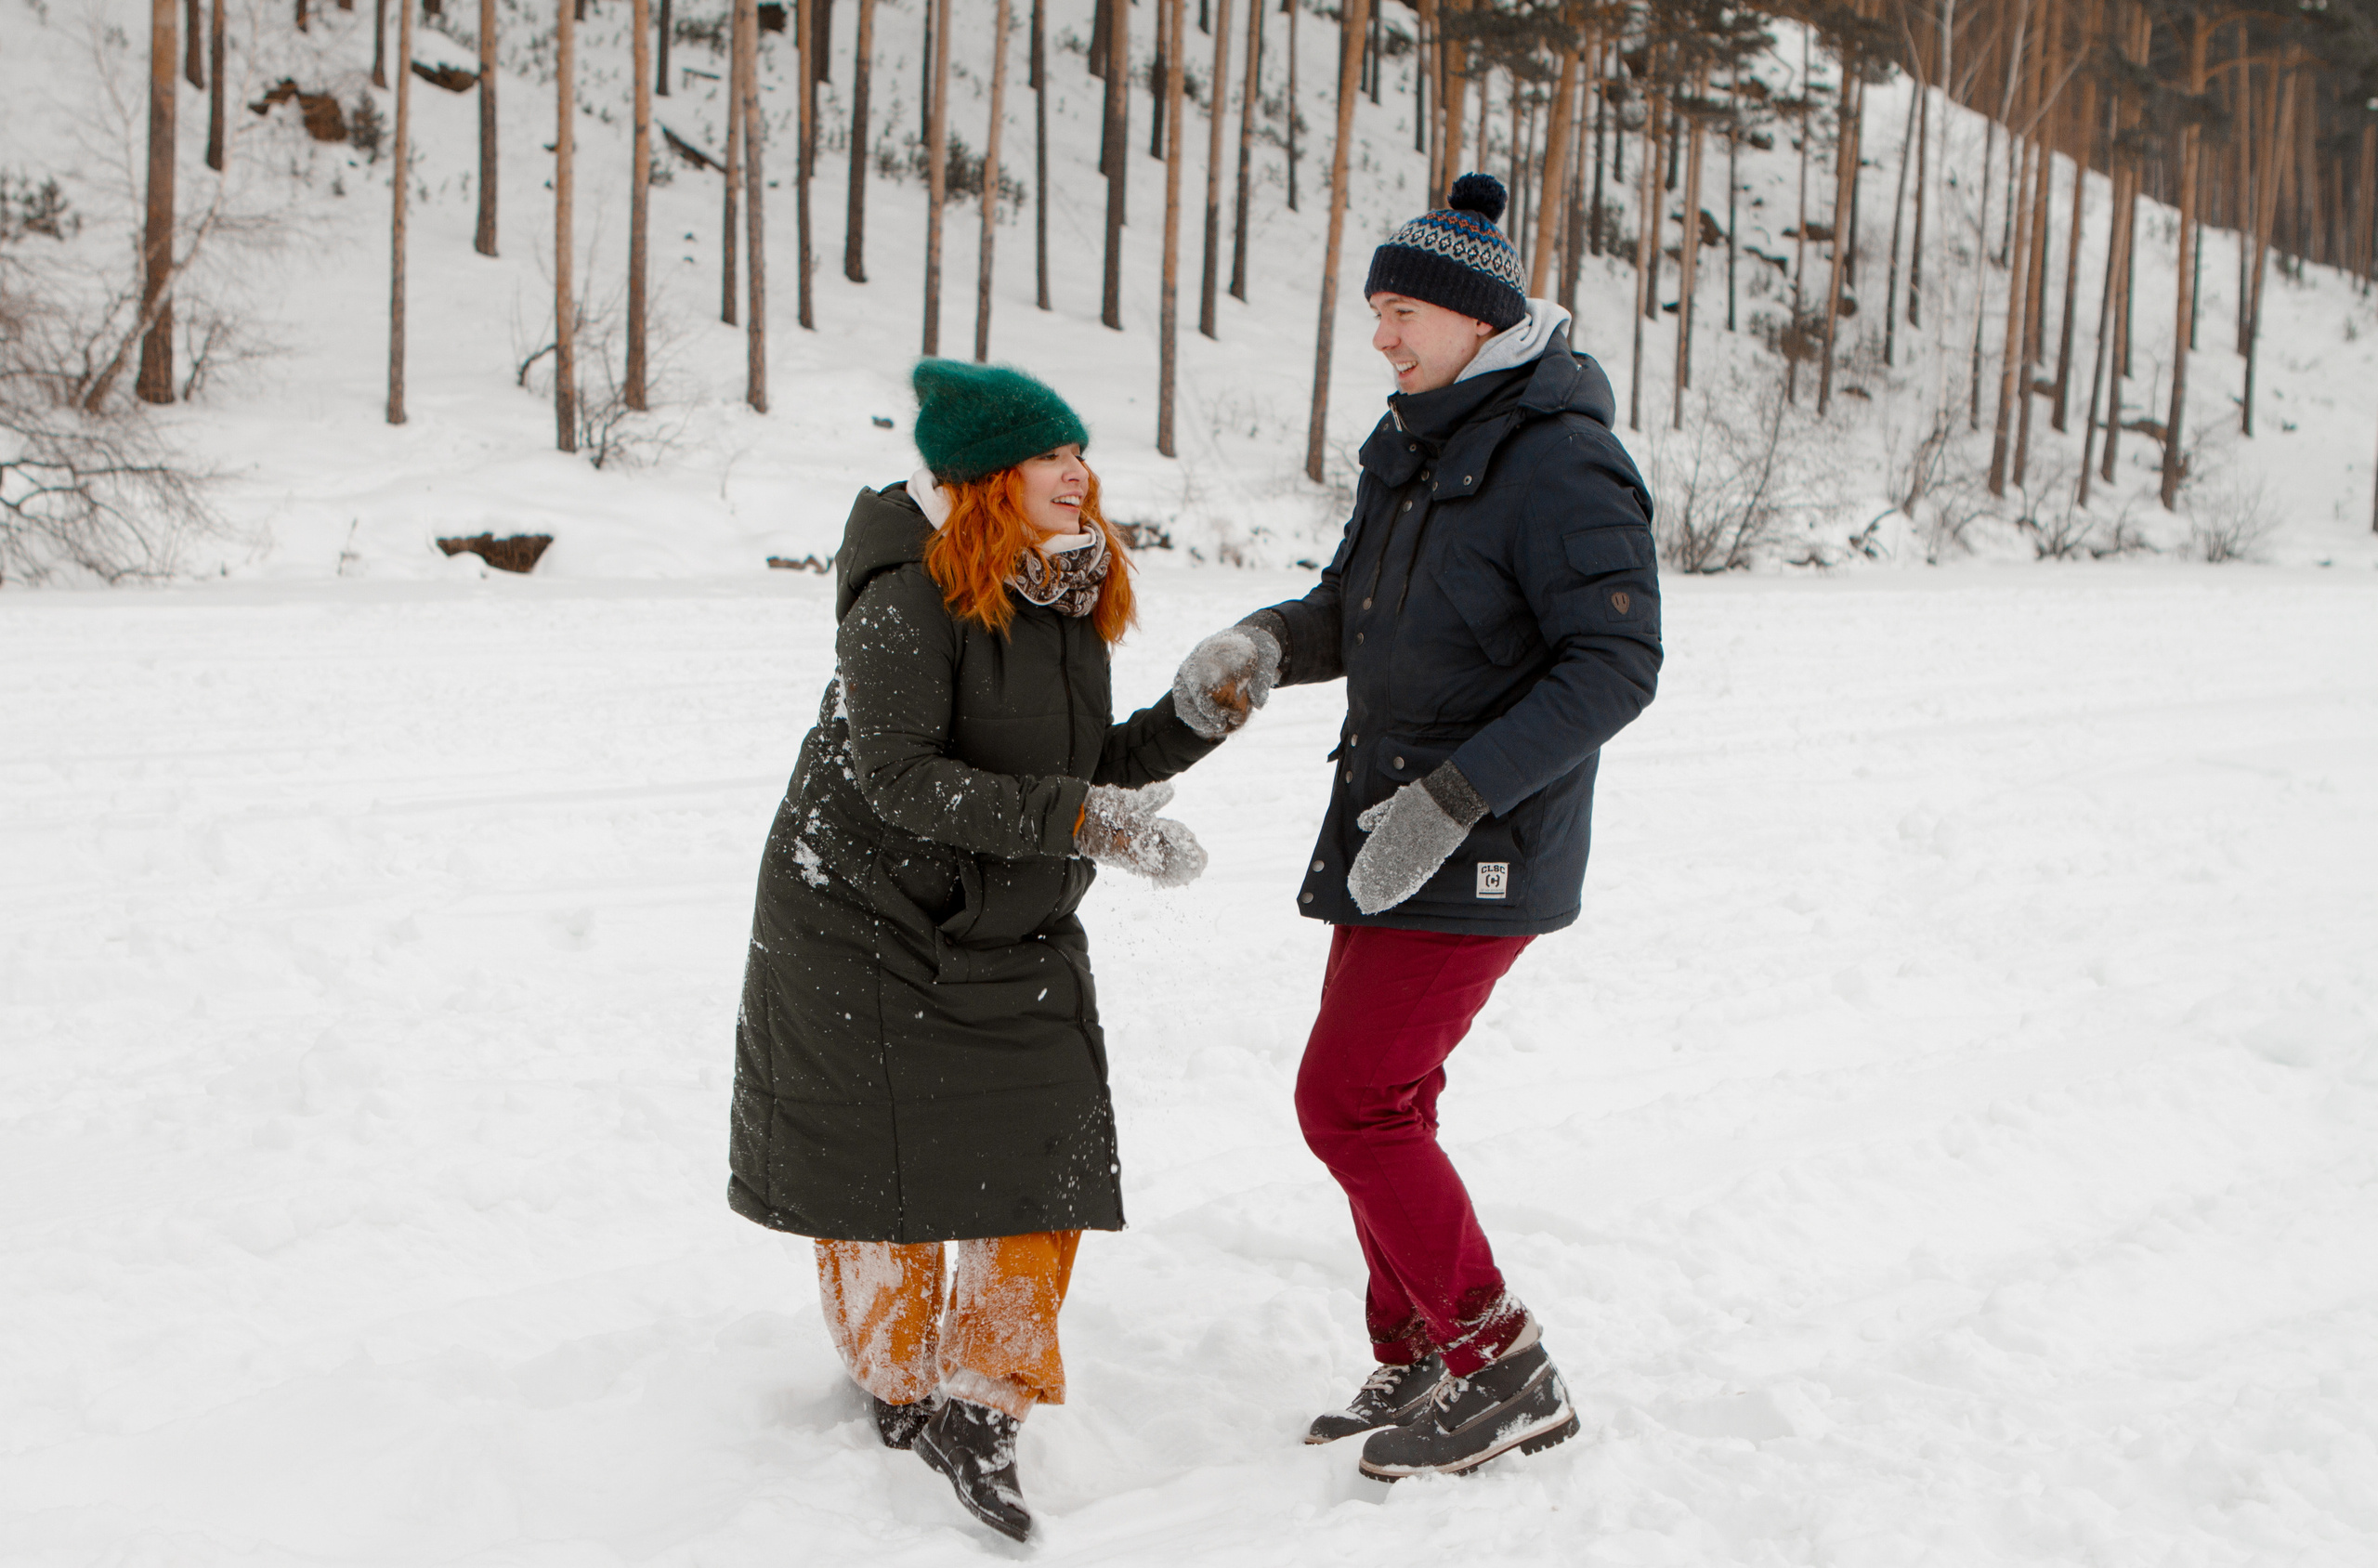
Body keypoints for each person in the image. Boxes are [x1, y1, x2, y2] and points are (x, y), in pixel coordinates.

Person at [1171, 173, 1663, 1481]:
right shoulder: (1419, 438)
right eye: (1378, 311)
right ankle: (1425, 1346)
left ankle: (1501, 1363)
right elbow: (1357, 606)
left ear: (1470, 317)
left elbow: (1615, 666)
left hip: (1479, 836)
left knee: (1350, 1102)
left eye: (1400, 311)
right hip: (1385, 819)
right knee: (1388, 1094)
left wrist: (1457, 800)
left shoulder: (1562, 456)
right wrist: (1270, 638)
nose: (1382, 336)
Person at [728, 359, 1219, 1541]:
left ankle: (984, 1397)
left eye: (1079, 453)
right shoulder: (903, 596)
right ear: (990, 481)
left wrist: (1193, 720)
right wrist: (1085, 823)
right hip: (859, 912)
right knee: (877, 1171)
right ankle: (898, 1388)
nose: (1079, 474)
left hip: (1005, 908)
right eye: (1053, 457)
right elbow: (899, 779)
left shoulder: (1063, 594)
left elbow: (1072, 757)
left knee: (1044, 1141)